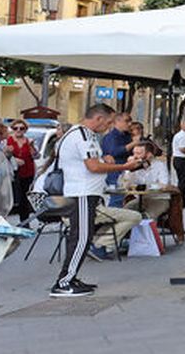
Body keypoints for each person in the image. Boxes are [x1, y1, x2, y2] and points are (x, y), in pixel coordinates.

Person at [51, 103, 146, 297]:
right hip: (82, 193)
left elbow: (90, 162)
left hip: (86, 193)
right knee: (81, 238)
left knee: (82, 237)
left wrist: (106, 160)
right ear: (98, 119)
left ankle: (71, 277)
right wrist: (124, 167)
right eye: (109, 122)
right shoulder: (82, 136)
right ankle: (64, 282)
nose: (109, 127)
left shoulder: (84, 135)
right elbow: (93, 167)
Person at [118, 141, 172, 221]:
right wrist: (129, 169)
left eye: (138, 153)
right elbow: (123, 185)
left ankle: (149, 229)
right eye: (134, 153)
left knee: (148, 217)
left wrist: (147, 187)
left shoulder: (160, 165)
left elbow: (164, 185)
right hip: (141, 199)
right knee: (124, 214)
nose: (135, 156)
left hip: (159, 199)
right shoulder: (135, 166)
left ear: (149, 155)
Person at [100, 111, 134, 207]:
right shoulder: (110, 137)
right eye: (127, 121)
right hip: (114, 172)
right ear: (118, 121)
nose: (130, 124)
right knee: (116, 198)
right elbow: (114, 152)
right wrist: (133, 144)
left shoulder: (127, 136)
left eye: (130, 121)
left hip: (126, 171)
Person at [5, 119, 36, 221]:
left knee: (25, 197)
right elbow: (3, 155)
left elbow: (35, 155)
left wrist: (32, 146)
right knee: (15, 197)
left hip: (28, 172)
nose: (18, 130)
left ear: (25, 130)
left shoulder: (28, 141)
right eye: (16, 128)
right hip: (14, 173)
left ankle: (25, 221)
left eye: (21, 128)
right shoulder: (8, 140)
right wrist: (14, 159)